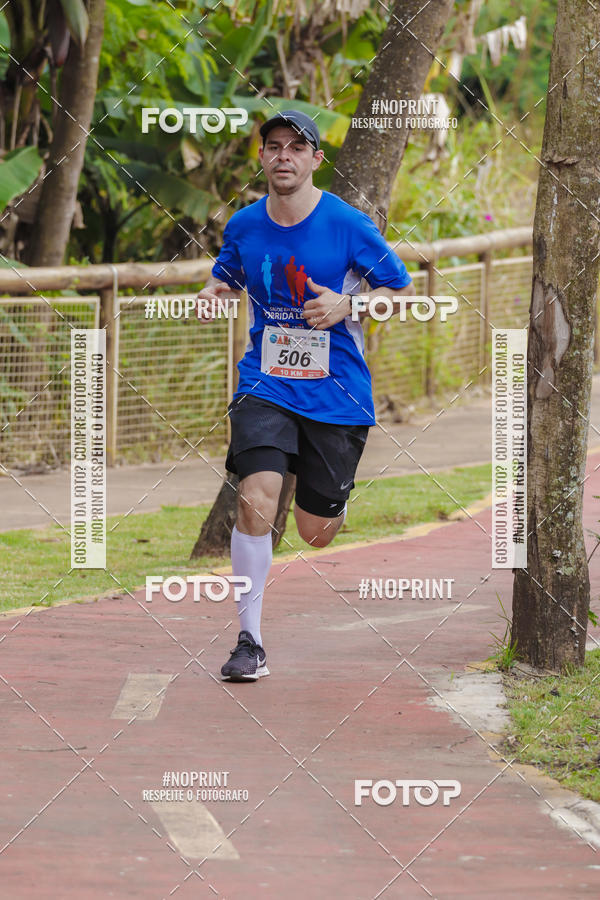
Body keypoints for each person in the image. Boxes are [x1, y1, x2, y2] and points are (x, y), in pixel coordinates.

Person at [197, 109, 416, 681]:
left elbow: (403, 293)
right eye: (274, 146)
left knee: (315, 533)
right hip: (265, 382)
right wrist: (214, 291)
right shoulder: (244, 224)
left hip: (336, 391)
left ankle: (330, 501)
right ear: (262, 157)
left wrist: (350, 304)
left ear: (316, 159)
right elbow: (227, 276)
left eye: (296, 148)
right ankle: (249, 641)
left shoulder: (346, 224)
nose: (284, 156)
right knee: (255, 497)